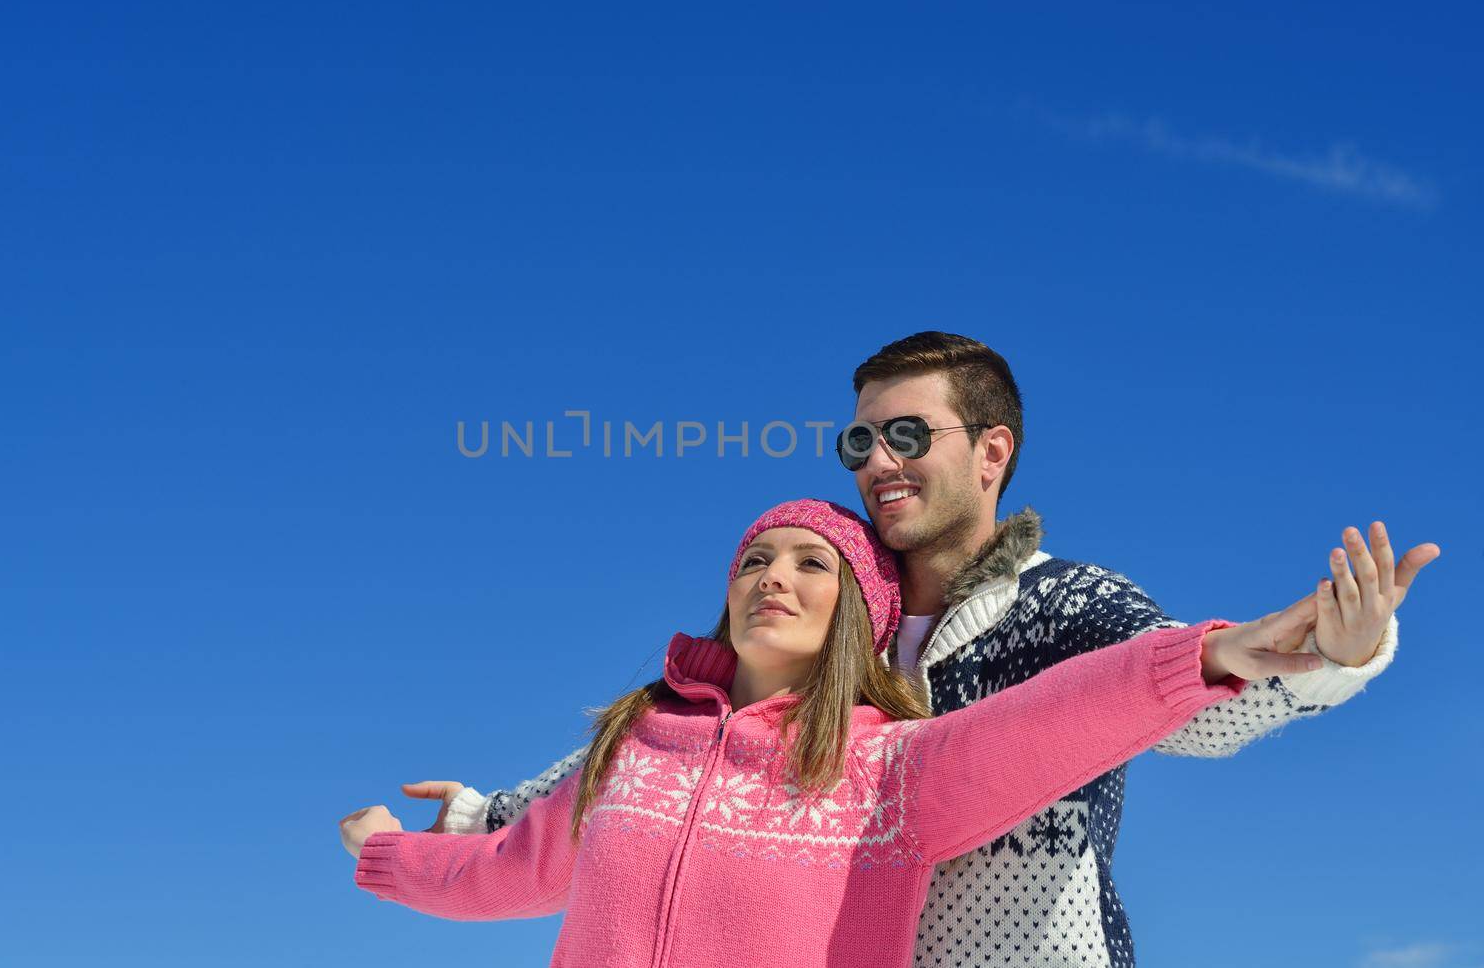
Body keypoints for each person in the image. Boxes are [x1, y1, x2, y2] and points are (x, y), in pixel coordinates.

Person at [410, 332, 1441, 968]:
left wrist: (1333, 659)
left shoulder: (1067, 605)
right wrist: (482, 812)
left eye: (907, 436)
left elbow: (1182, 696)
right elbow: (688, 751)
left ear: (991, 451)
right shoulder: (828, 616)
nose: (876, 463)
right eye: (859, 442)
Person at [341, 499, 1387, 968]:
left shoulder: (890, 772)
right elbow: (504, 871)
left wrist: (1213, 654)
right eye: (755, 559)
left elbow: (1059, 719)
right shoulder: (638, 746)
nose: (772, 578)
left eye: (809, 563)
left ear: (858, 615)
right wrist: (388, 855)